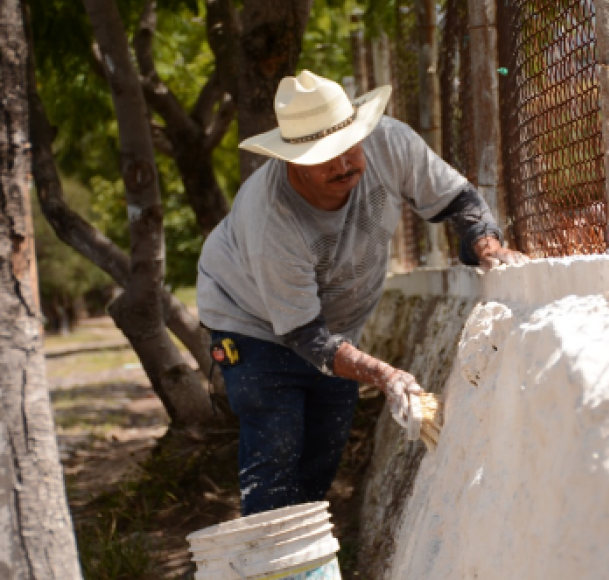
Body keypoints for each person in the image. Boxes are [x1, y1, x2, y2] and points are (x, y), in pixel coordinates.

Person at [197, 70, 529, 516]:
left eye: (349, 148)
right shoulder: (270, 215)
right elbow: (304, 336)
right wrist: (387, 376)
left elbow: (459, 201)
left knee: (324, 447)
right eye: (323, 158)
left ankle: (306, 555)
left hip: (333, 328)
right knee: (276, 449)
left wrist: (487, 247)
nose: (343, 166)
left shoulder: (391, 143)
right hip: (251, 323)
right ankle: (268, 557)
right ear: (291, 159)